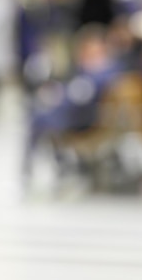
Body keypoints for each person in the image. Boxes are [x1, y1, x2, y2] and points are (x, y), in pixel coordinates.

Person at [23, 25, 123, 178]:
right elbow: (73, 88)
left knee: (42, 119)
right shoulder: (84, 68)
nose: (88, 51)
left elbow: (85, 92)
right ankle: (45, 162)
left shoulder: (108, 69)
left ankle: (48, 162)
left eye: (92, 46)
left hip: (90, 118)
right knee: (41, 114)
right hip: (73, 112)